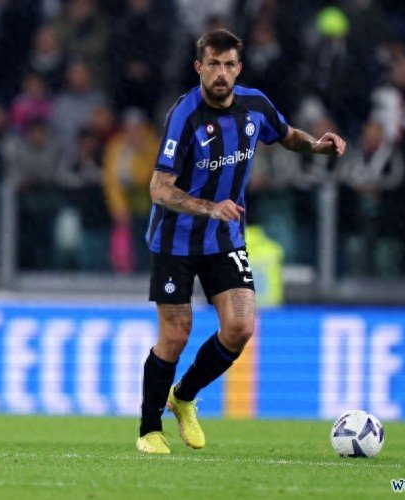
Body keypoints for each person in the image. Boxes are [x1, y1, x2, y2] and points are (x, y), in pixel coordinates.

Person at [137, 29, 346, 454]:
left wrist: (318, 147)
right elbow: (159, 188)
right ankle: (149, 430)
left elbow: (286, 135)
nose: (221, 73)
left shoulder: (255, 105)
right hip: (175, 240)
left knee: (240, 326)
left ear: (239, 68)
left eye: (229, 64)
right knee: (176, 335)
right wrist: (210, 207)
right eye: (213, 64)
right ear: (198, 67)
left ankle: (184, 396)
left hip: (224, 238)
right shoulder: (184, 116)